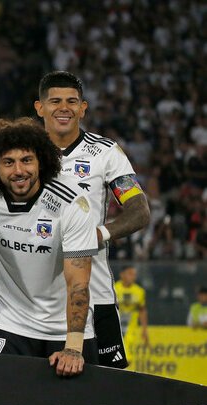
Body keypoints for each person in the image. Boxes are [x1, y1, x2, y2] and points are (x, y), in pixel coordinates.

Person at [0, 118, 98, 377]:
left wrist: (74, 347)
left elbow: (78, 283)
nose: (18, 171)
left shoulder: (71, 203)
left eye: (26, 160)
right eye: (8, 162)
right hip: (10, 325)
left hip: (65, 330)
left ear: (42, 162)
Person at [35, 71, 151, 368]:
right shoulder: (21, 152)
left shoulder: (105, 153)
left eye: (72, 101)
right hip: (30, 297)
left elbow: (139, 212)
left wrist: (96, 235)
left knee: (106, 387)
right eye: (55, 101)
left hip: (93, 292)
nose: (64, 108)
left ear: (83, 108)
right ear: (40, 108)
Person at [114, 265, 148, 345]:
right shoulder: (114, 289)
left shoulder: (139, 291)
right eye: (130, 274)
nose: (133, 277)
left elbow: (142, 310)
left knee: (129, 353)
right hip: (116, 326)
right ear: (122, 275)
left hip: (132, 328)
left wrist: (144, 329)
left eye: (134, 274)